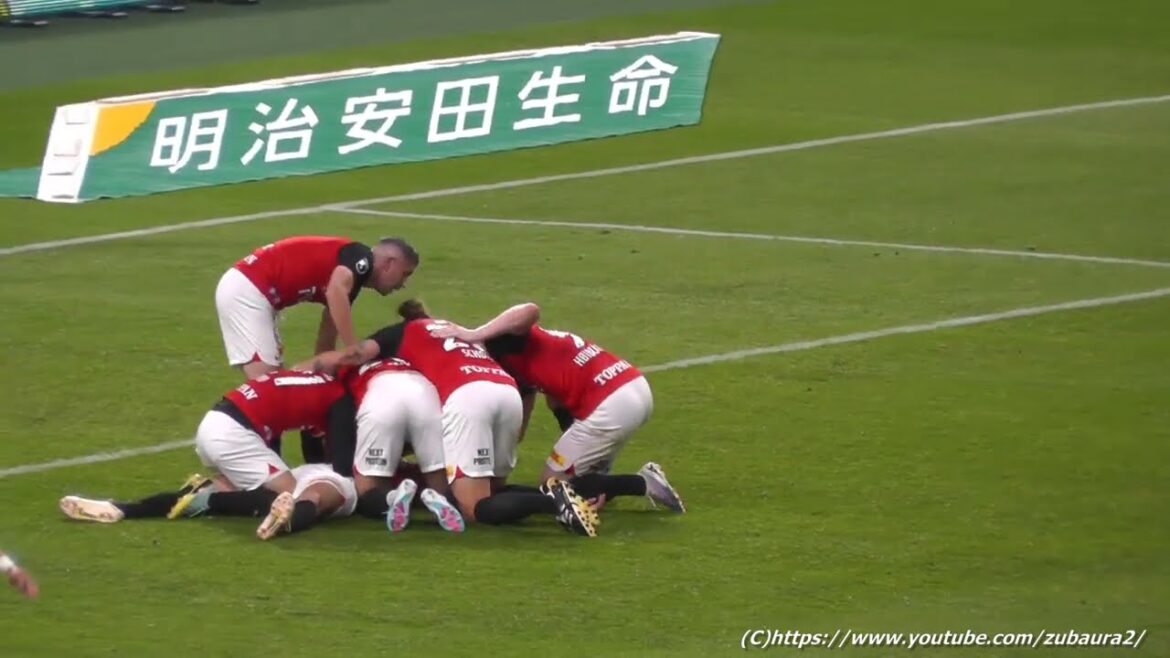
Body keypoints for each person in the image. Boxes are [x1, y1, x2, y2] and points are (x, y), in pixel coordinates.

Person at [308, 300, 599, 537]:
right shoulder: (459, 333)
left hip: (468, 396)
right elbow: (530, 311)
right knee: (492, 488)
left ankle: (554, 503)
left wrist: (307, 368)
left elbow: (356, 355)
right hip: (506, 390)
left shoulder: (404, 334)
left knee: (474, 507)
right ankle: (566, 495)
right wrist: (475, 333)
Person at [431, 302, 685, 513]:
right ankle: (599, 482)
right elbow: (541, 412)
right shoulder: (533, 354)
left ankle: (642, 483)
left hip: (610, 404)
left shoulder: (500, 340)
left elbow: (530, 310)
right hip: (632, 385)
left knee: (552, 485)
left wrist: (473, 333)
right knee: (575, 477)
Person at [216, 235, 419, 380]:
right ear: (389, 264)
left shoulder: (351, 282)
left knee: (275, 383)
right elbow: (335, 290)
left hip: (256, 291)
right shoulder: (361, 259)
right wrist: (353, 348)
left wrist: (326, 373)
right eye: (405, 274)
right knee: (267, 384)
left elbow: (326, 342)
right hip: (249, 290)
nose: (404, 284)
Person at [59, 465, 357, 541]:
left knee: (316, 496)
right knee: (211, 496)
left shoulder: (347, 480)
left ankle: (125, 509)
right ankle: (281, 519)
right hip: (285, 485)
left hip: (310, 481)